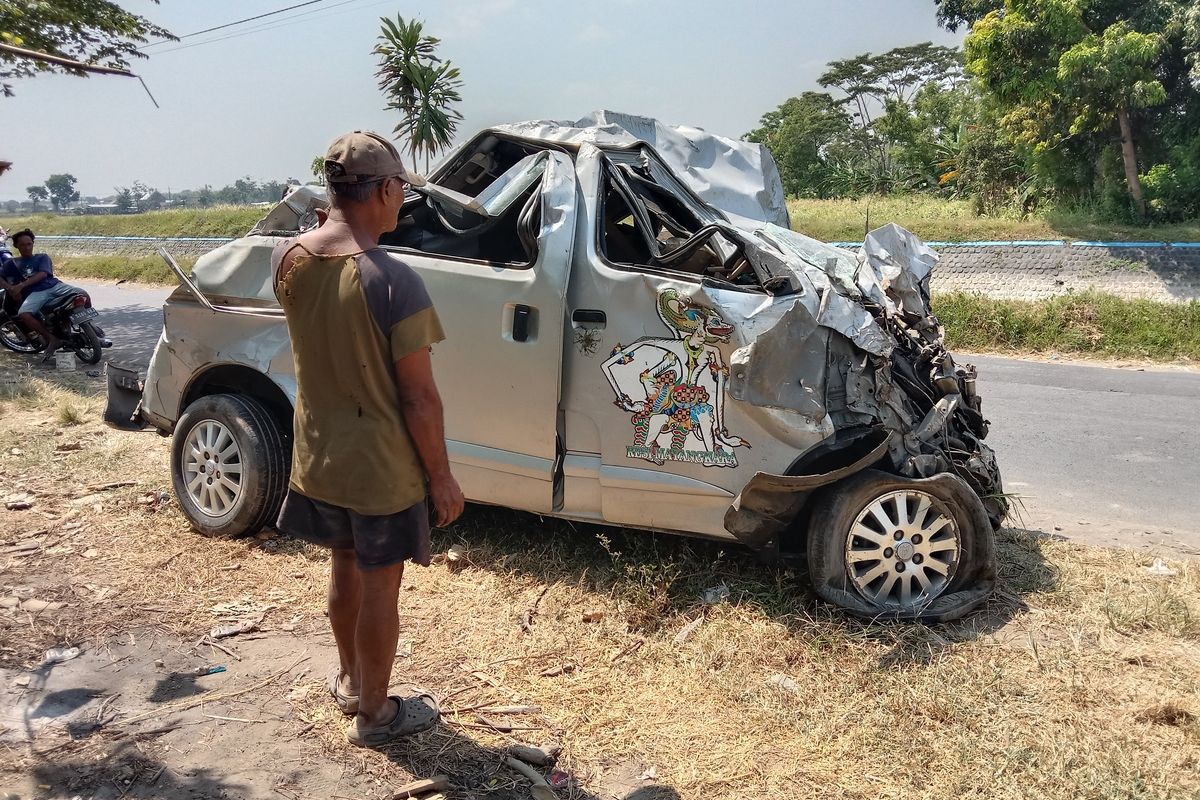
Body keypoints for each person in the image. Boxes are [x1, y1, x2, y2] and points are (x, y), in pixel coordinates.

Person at [271, 131, 465, 748]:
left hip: (320, 456)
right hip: (379, 466)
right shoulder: (393, 279)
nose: (403, 198)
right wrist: (441, 476)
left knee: (344, 566)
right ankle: (375, 715)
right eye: (401, 187)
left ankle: (353, 682)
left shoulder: (287, 258)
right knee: (381, 584)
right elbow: (419, 397)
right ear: (383, 190)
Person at [0, 229, 71, 355]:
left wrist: (20, 286)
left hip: (50, 289)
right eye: (23, 245)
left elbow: (43, 274)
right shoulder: (10, 264)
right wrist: (10, 288)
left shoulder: (42, 257)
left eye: (29, 244)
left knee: (82, 294)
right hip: (37, 294)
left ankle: (91, 329)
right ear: (16, 246)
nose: (27, 248)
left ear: (33, 244)